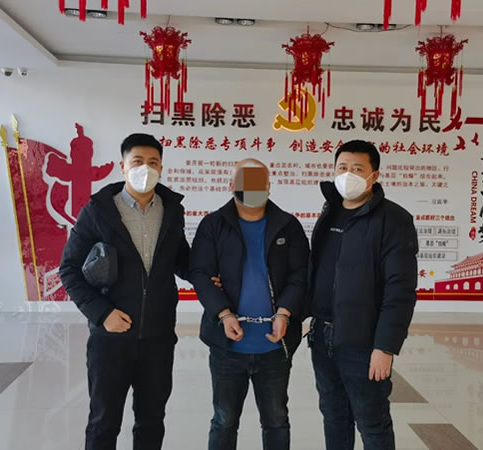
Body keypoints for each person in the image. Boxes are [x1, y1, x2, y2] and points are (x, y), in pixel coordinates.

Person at [60, 133, 189, 450]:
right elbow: (69, 269)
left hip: (158, 338)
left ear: (161, 168)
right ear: (123, 166)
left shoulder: (171, 210)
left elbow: (181, 260)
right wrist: (102, 313)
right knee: (104, 423)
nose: (146, 168)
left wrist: (213, 276)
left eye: (153, 162)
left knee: (151, 421)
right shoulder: (98, 211)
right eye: (138, 161)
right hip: (110, 339)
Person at [190, 158, 309, 450]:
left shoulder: (288, 226)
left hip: (274, 347)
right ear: (232, 185)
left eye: (259, 183)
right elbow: (201, 273)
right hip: (227, 348)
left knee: (276, 420)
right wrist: (224, 313)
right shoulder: (213, 225)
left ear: (268, 187)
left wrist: (284, 312)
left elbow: (301, 274)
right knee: (224, 420)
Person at [307, 140, 418, 450]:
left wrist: (385, 346)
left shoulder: (394, 220)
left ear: (374, 176)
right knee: (334, 416)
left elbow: (400, 290)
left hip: (363, 342)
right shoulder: (330, 212)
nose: (348, 175)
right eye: (342, 167)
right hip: (322, 336)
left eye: (357, 169)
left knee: (372, 422)